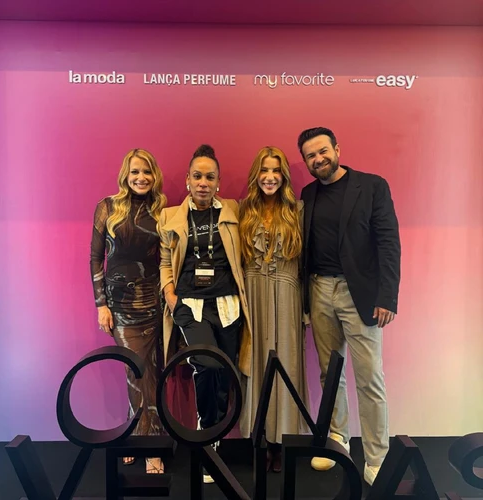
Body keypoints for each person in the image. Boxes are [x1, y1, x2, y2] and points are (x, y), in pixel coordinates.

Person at [298, 127, 401, 486]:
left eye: (322, 151)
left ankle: (377, 457)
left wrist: (387, 297)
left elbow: (389, 242)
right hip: (319, 290)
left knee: (369, 377)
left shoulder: (372, 186)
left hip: (360, 295)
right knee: (330, 374)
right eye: (310, 156)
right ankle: (338, 439)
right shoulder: (308, 194)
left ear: (337, 149)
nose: (318, 159)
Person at [158, 144, 252, 483]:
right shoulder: (170, 216)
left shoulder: (232, 211)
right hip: (190, 306)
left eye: (209, 177)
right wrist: (171, 296)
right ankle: (206, 431)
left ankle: (216, 436)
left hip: (227, 305)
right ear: (187, 179)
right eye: (197, 176)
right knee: (207, 364)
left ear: (218, 182)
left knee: (225, 371)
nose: (203, 182)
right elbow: (165, 261)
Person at [90, 148, 167, 474]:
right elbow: (96, 258)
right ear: (126, 174)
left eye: (146, 172)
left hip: (153, 304)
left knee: (152, 375)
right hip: (120, 307)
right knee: (135, 374)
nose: (141, 177)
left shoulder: (162, 209)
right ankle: (142, 439)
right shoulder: (107, 207)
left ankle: (147, 441)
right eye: (135, 171)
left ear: (154, 176)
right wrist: (101, 304)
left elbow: (166, 258)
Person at [239, 146, 308, 473]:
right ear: (256, 175)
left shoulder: (298, 210)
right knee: (255, 364)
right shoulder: (242, 210)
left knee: (286, 364)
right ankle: (259, 439)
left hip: (286, 292)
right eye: (264, 170)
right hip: (252, 293)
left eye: (276, 170)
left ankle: (281, 442)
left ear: (284, 176)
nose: (269, 177)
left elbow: (307, 261)